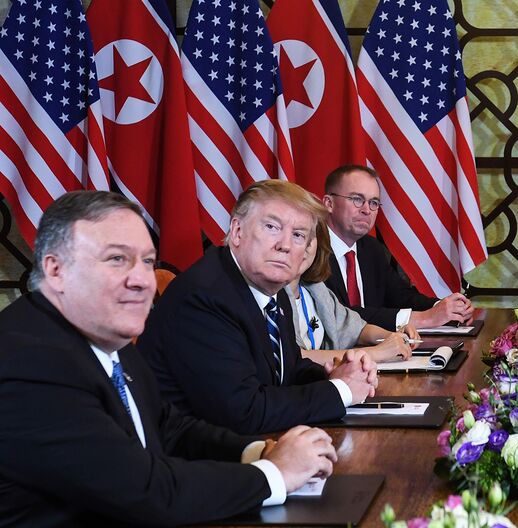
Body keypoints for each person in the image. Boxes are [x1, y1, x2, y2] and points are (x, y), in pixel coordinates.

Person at [0, 191, 338, 526]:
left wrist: (255, 452)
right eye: (117, 259)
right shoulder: (30, 361)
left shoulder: (103, 338)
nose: (140, 281)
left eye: (147, 262)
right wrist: (275, 475)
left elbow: (166, 425)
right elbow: (146, 492)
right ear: (56, 270)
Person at [139, 180, 378, 435]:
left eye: (298, 235)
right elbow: (244, 412)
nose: (284, 245)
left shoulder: (272, 289)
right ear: (237, 231)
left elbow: (287, 371)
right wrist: (341, 390)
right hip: (195, 462)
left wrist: (333, 375)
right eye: (272, 227)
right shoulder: (205, 297)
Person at [322, 164, 473, 330]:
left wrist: (446, 308)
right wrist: (424, 319)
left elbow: (401, 296)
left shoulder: (371, 249)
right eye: (357, 199)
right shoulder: (311, 252)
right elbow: (339, 316)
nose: (367, 210)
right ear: (329, 203)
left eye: (374, 202)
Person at [286, 220, 416, 364]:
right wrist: (375, 353)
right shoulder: (271, 296)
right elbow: (296, 358)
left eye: (310, 237)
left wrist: (393, 337)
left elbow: (356, 329)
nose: (305, 246)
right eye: (297, 235)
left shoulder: (315, 289)